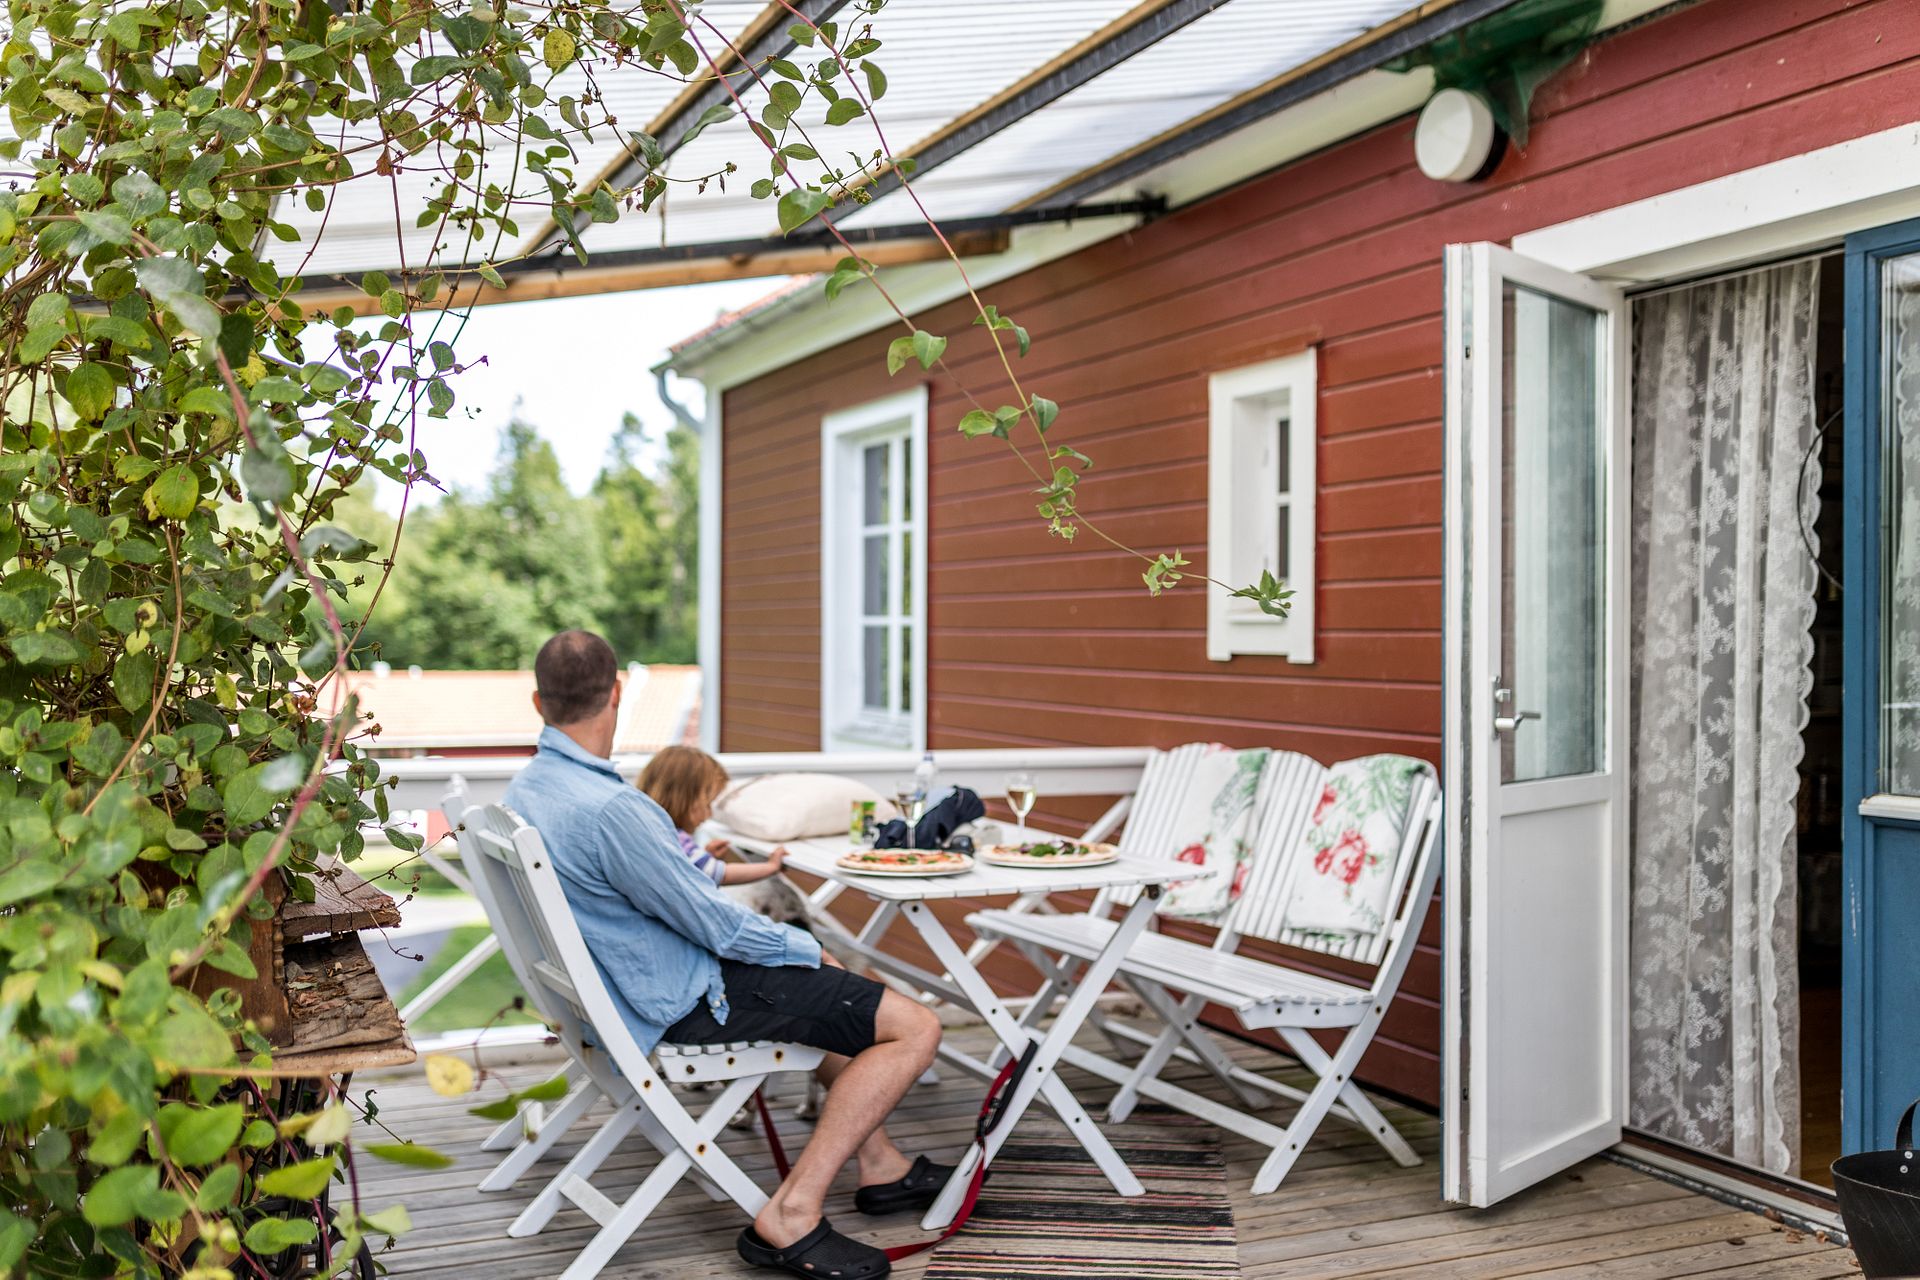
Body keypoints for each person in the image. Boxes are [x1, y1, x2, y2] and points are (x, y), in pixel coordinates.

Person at [504, 631, 946, 1280]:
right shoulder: (616, 810)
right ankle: (792, 1212)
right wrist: (806, 946)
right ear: (617, 692)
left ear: (538, 703)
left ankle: (880, 1164)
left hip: (619, 999)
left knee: (839, 998)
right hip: (679, 1004)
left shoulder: (528, 791)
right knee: (915, 1025)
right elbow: (714, 926)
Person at [636, 744, 789, 888]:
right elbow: (721, 875)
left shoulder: (647, 830)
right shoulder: (675, 839)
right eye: (708, 804)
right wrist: (771, 867)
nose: (709, 815)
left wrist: (706, 856)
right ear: (686, 800)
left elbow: (694, 870)